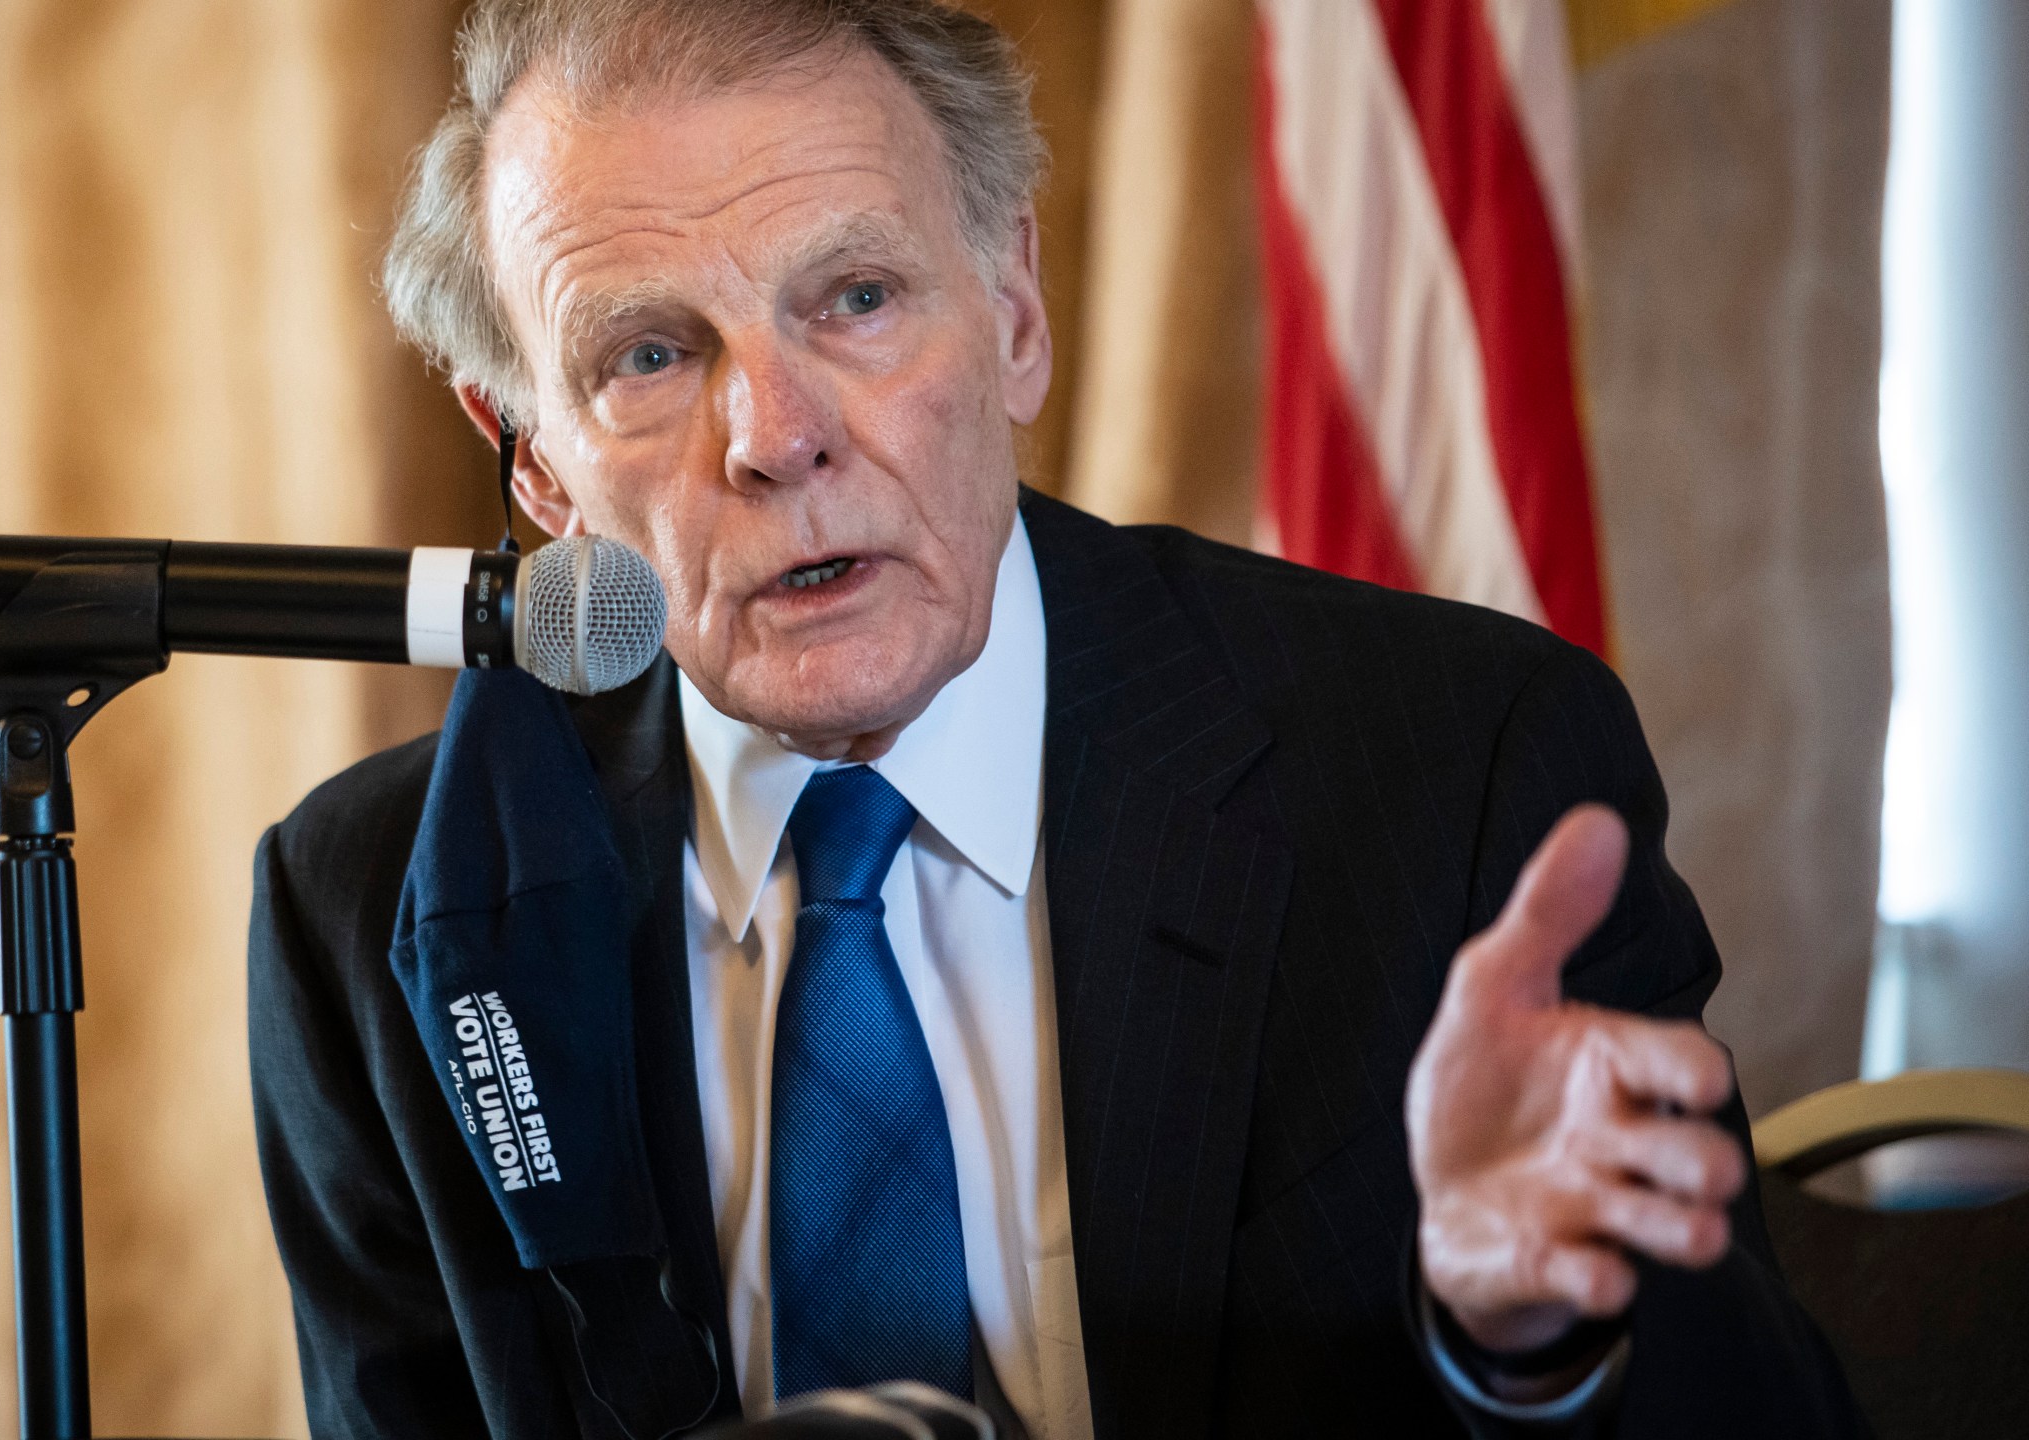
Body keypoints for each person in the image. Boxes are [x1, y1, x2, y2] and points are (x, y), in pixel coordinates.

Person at [247, 2, 1864, 1436]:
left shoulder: (1460, 773)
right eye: (652, 354)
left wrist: (1531, 1342)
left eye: (858, 297)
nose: (776, 437)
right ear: (532, 459)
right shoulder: (375, 909)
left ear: (1013, 307)